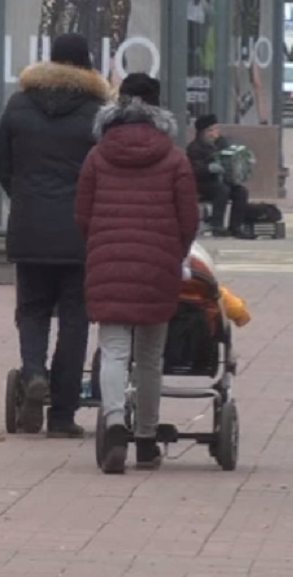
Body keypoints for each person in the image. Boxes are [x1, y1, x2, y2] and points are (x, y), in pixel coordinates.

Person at [75, 74, 198, 474]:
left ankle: (113, 425)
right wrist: (173, 253)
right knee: (149, 356)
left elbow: (82, 215)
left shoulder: (97, 156)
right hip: (158, 265)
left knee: (112, 350)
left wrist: (101, 244)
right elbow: (189, 219)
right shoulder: (175, 157)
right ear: (158, 109)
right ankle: (145, 440)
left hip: (108, 261)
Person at [0, 33, 110, 437]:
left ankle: (33, 373)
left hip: (29, 226)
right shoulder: (98, 112)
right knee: (76, 320)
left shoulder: (18, 105)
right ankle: (62, 416)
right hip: (80, 232)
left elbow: (3, 166)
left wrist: (25, 199)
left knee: (31, 310)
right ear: (88, 66)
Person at [187, 114, 254, 240]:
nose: (214, 134)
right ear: (201, 133)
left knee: (241, 192)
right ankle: (217, 225)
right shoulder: (194, 148)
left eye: (216, 129)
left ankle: (236, 227)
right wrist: (208, 168)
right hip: (203, 183)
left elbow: (232, 156)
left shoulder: (221, 143)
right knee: (222, 189)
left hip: (223, 180)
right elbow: (193, 170)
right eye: (210, 131)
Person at [234, 0, 268, 125]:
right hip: (238, 34)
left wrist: (250, 35)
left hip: (250, 34)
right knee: (236, 78)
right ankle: (237, 112)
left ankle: (263, 117)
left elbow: (254, 9)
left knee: (256, 79)